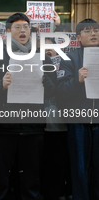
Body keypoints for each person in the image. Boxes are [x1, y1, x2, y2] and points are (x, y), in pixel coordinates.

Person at [0, 13, 57, 200]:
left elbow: (54, 91)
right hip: (3, 127)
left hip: (33, 127)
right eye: (17, 27)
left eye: (26, 27)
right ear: (7, 32)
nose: (23, 30)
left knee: (31, 179)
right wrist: (0, 84)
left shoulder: (42, 57)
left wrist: (47, 82)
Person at [57, 18, 99, 200]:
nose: (94, 34)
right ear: (78, 37)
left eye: (96, 30)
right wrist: (77, 80)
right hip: (78, 120)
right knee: (79, 167)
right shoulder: (70, 59)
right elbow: (60, 92)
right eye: (88, 31)